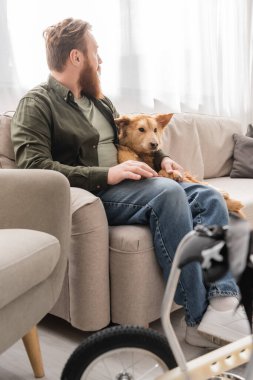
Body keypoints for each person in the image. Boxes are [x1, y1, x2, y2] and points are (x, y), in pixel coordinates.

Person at [11, 18, 250, 348]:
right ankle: (196, 319)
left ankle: (223, 303)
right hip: (95, 194)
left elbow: (129, 139)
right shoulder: (36, 104)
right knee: (167, 193)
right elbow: (33, 168)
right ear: (76, 57)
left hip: (132, 184)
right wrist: (106, 175)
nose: (101, 60)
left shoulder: (100, 101)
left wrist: (163, 156)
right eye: (97, 52)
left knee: (209, 197)